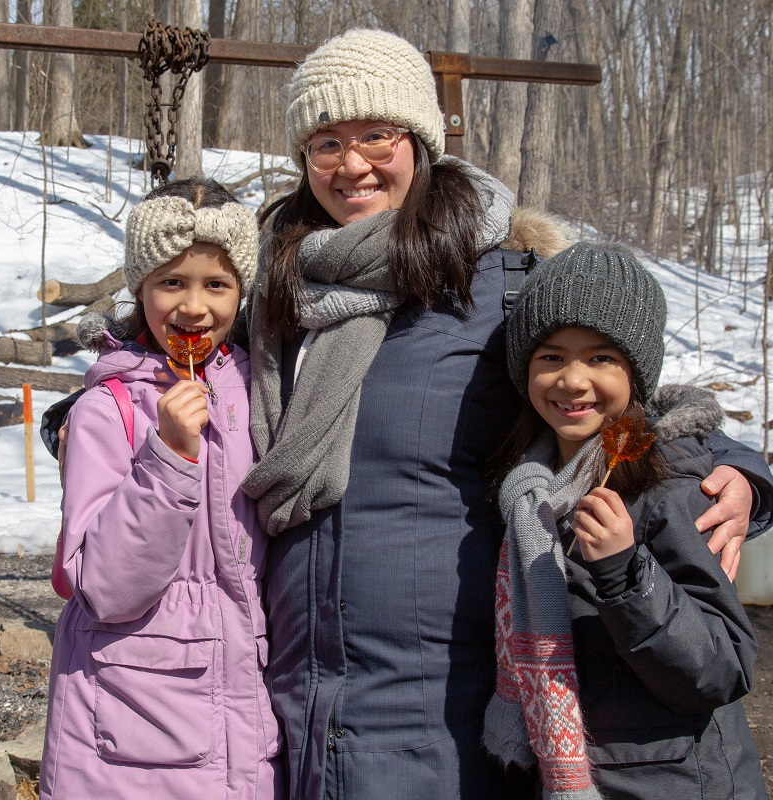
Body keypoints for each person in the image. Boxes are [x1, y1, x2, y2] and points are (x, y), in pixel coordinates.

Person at [238, 28, 773, 800]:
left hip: (447, 725)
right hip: (294, 710)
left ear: (418, 141)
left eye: (376, 135)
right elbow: (163, 372)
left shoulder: (503, 289)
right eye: (326, 141)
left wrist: (744, 470)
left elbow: (623, 397)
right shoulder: (276, 296)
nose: (352, 164)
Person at [483, 242, 766, 799]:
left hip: (678, 781)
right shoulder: (524, 490)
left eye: (601, 358)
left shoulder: (674, 490)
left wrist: (626, 574)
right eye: (551, 357)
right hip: (570, 775)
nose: (573, 380)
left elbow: (722, 667)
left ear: (637, 372)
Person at [39, 178, 283, 800]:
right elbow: (104, 585)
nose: (194, 307)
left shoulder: (259, 392)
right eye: (171, 282)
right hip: (128, 727)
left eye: (217, 285)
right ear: (139, 288)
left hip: (246, 709)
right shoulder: (106, 409)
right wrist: (169, 455)